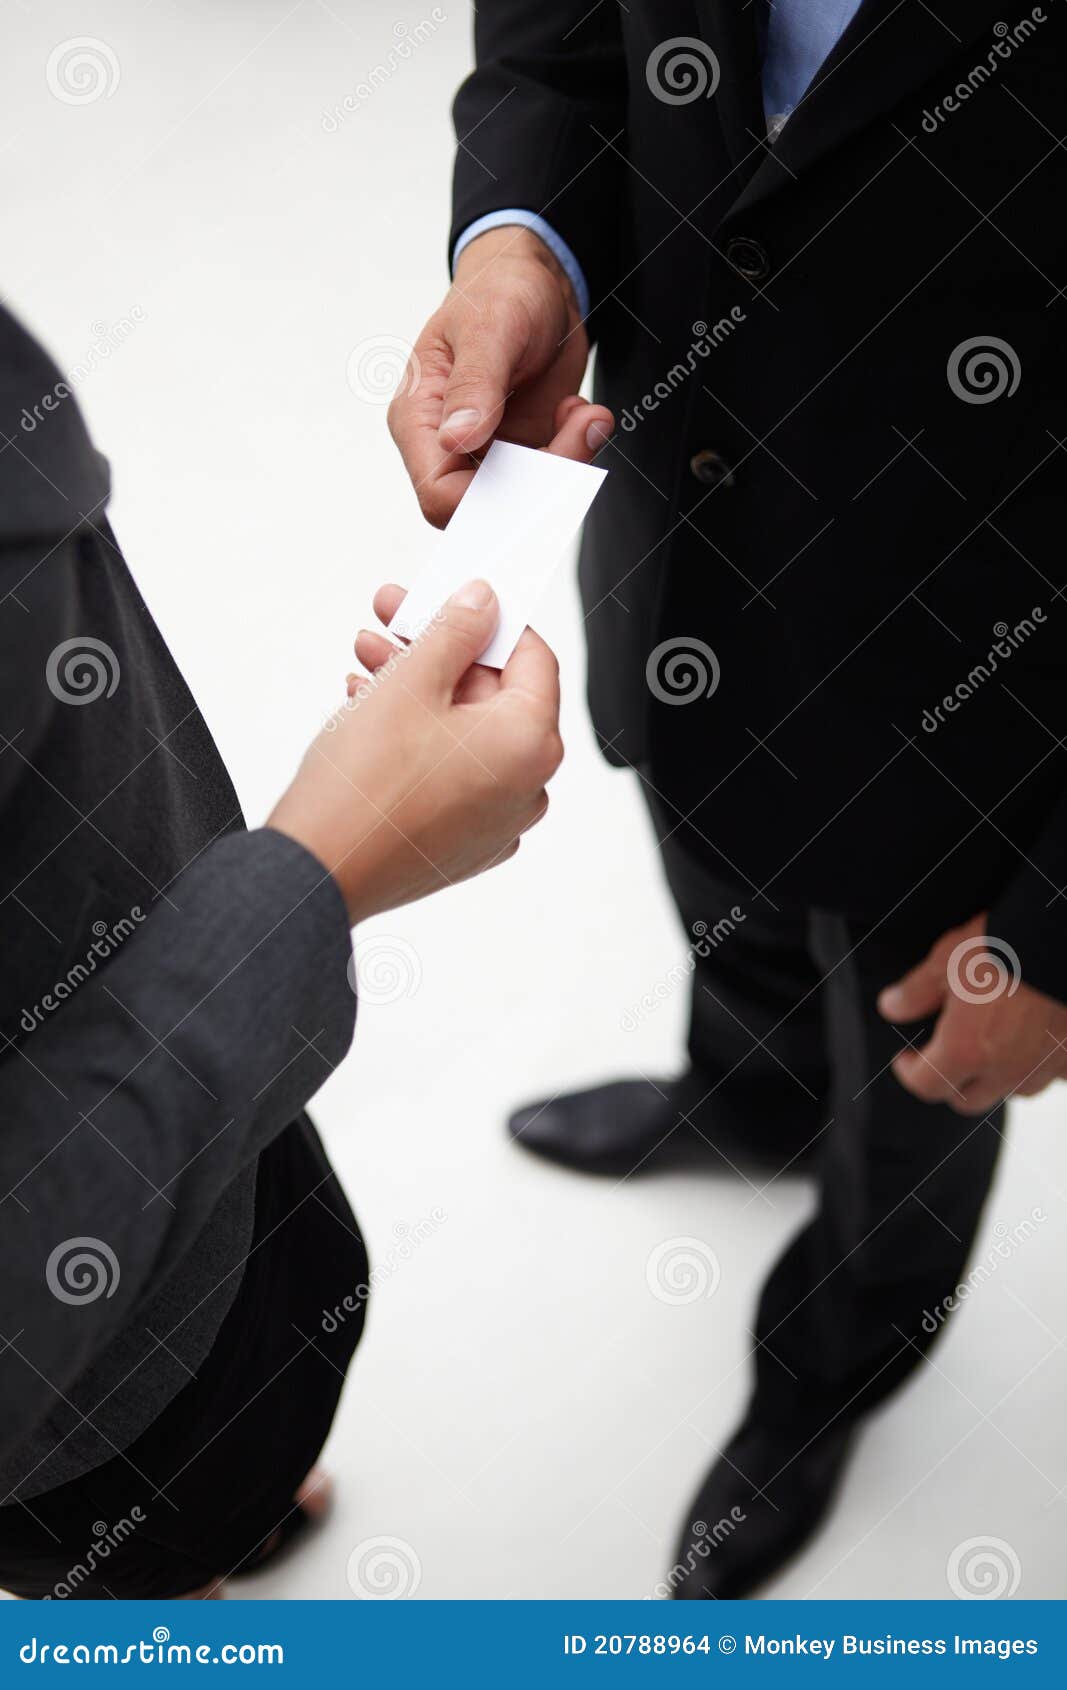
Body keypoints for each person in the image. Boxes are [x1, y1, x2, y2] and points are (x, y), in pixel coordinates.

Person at [389, 0, 1067, 1596]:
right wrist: (518, 246)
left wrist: (1058, 930)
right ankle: (753, 1088)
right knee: (726, 890)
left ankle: (848, 1340)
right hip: (682, 565)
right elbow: (557, 43)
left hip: (984, 696)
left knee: (913, 1081)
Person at [0, 295, 611, 1599]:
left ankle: (231, 1499)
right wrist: (320, 871)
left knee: (263, 1361)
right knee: (155, 1522)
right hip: (87, 1392)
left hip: (210, 1091)